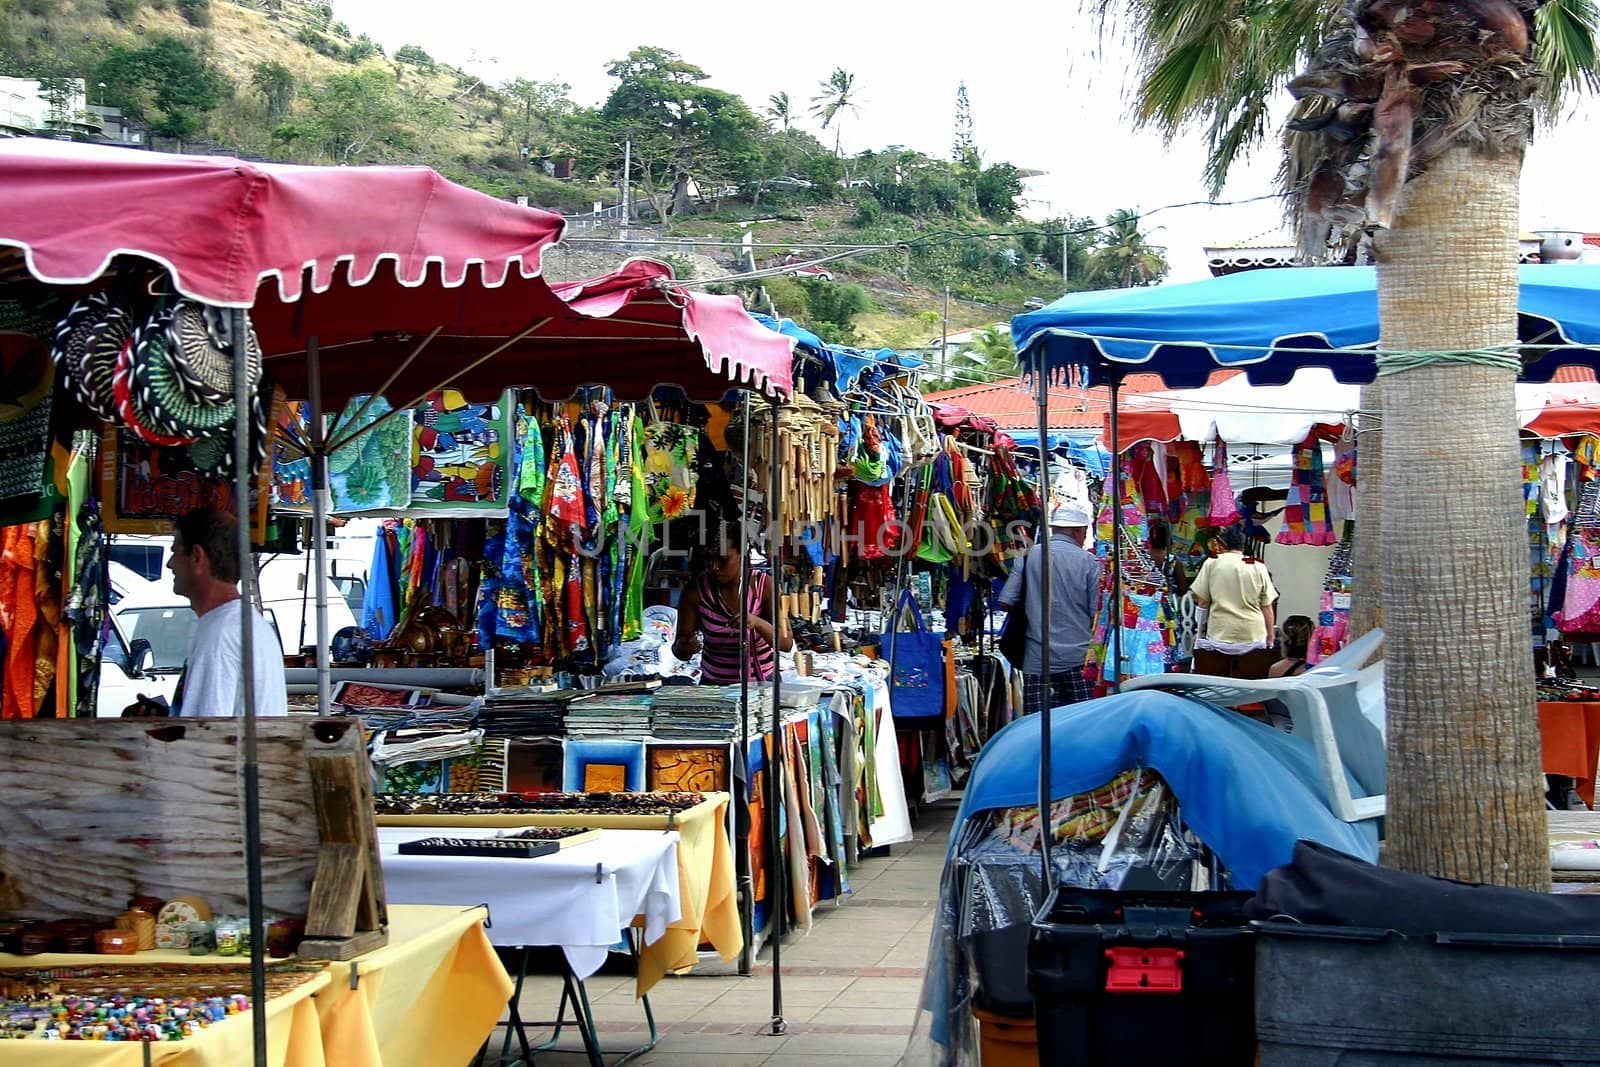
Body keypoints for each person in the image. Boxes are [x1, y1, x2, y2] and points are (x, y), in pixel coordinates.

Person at [127, 508, 288, 717]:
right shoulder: (244, 623)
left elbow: (204, 737)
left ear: (196, 556)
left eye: (175, 551)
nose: (169, 564)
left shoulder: (220, 634)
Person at [998, 498, 1103, 714]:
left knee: (1038, 728)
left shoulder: (1027, 557)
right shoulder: (1090, 563)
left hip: (1038, 659)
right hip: (1079, 658)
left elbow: (1006, 600)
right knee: (1083, 724)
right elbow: (1097, 614)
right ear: (1078, 531)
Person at [673, 537, 793, 684]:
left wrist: (757, 622)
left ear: (742, 554)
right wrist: (686, 646)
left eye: (723, 559)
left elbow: (786, 643)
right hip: (714, 686)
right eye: (709, 559)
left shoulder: (765, 586)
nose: (714, 567)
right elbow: (679, 651)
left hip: (762, 683)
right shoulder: (695, 591)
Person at [1190, 524, 1279, 679]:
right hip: (1253, 638)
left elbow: (1203, 603)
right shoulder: (1257, 566)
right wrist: (1270, 638)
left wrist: (1200, 632)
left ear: (1222, 543)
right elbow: (1267, 606)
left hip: (1220, 637)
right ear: (1242, 545)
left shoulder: (1212, 563)